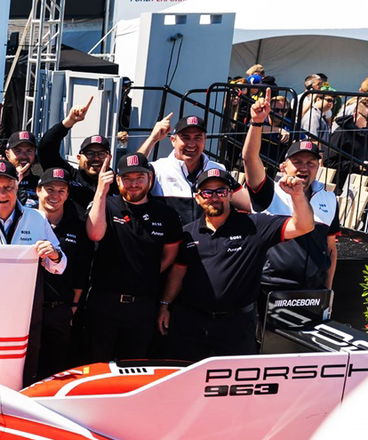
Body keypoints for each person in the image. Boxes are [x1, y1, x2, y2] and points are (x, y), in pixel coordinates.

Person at [160, 169, 316, 360]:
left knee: (235, 387)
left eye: (221, 191)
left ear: (230, 194)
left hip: (236, 325)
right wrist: (164, 305)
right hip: (191, 323)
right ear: (198, 197)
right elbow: (178, 272)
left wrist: (297, 195)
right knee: (186, 381)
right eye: (207, 192)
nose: (214, 197)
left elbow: (304, 226)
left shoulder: (255, 226)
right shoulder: (187, 233)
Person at [85, 154, 184, 362]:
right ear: (118, 180)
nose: (134, 184)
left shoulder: (166, 214)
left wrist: (145, 272)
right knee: (97, 362)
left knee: (134, 363)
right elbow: (95, 234)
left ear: (150, 178)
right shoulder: (107, 205)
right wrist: (101, 191)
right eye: (127, 178)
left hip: (143, 305)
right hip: (104, 302)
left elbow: (171, 252)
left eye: (139, 177)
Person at [244, 94, 341, 294]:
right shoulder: (269, 191)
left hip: (313, 292)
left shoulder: (329, 197)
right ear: (283, 166)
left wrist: (328, 291)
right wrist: (257, 123)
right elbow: (249, 158)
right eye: (297, 162)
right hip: (269, 288)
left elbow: (331, 249)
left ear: (318, 167)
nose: (304, 167)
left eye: (311, 163)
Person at [35, 167, 92, 376]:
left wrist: (73, 306)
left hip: (59, 308)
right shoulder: (26, 221)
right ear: (38, 190)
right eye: (50, 189)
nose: (55, 196)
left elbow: (81, 269)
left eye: (61, 190)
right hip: (27, 308)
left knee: (56, 368)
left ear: (68, 194)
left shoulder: (77, 226)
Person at [141, 113, 247, 224]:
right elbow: (131, 169)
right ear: (173, 140)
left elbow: (250, 204)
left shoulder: (218, 169)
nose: (191, 144)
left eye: (197, 137)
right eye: (185, 138)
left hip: (208, 240)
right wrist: (152, 139)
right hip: (168, 240)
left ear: (205, 140)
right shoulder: (158, 169)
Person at [37, 97, 118, 212]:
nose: (96, 158)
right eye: (90, 154)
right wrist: (69, 121)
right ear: (79, 157)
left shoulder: (119, 182)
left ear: (109, 157)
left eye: (101, 154)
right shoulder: (69, 176)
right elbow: (46, 149)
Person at [2, 130, 41, 208]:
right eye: (18, 151)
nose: (23, 156)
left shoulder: (42, 183)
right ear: (7, 154)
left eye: (29, 151)